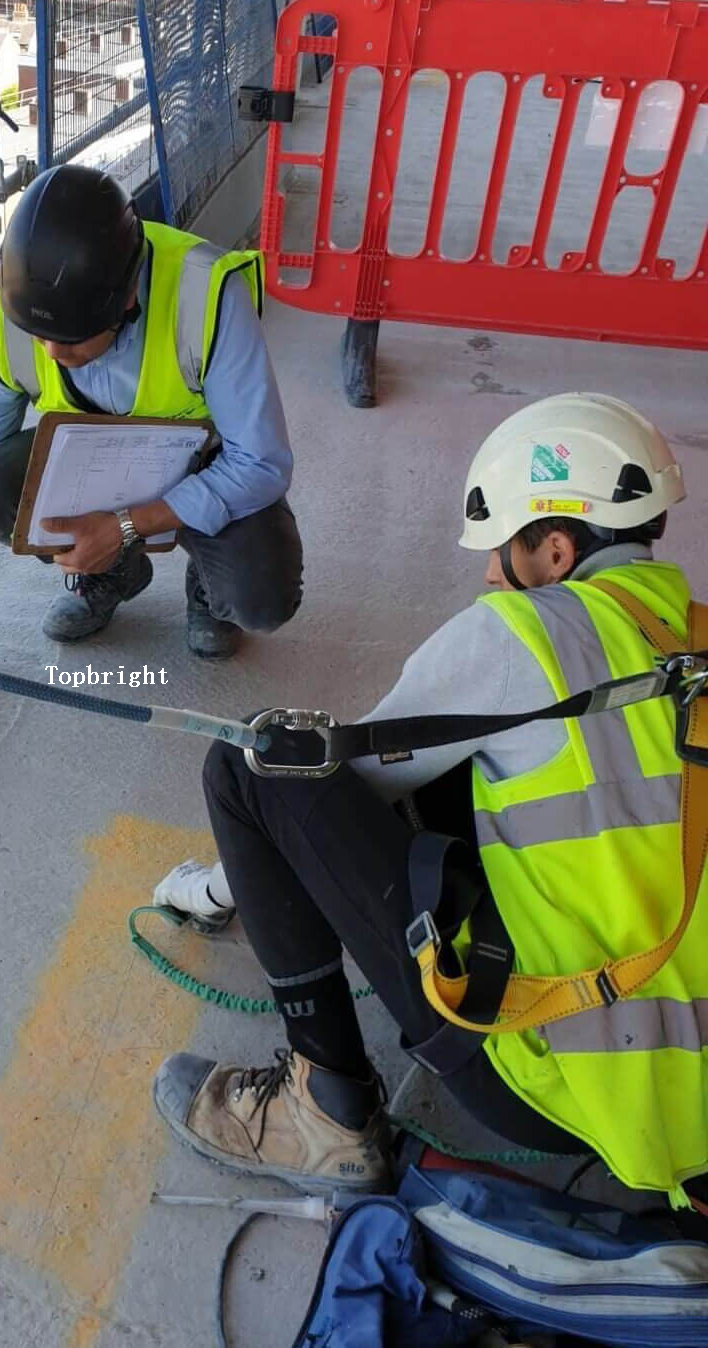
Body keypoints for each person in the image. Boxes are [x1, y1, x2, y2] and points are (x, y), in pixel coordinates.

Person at [150, 393, 708, 1207]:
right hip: (691, 1092)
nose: (489, 573)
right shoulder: (694, 635)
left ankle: (325, 1111)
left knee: (255, 765)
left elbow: (328, 788)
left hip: (564, 1085)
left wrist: (212, 886)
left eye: (501, 549)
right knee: (492, 760)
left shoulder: (521, 637)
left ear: (555, 550)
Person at [0, 164, 302, 707]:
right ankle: (115, 572)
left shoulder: (208, 293)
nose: (50, 353)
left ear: (125, 301)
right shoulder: (7, 314)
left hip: (198, 467)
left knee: (262, 597)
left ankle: (206, 589)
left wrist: (126, 524)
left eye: (70, 341)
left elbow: (262, 463)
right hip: (91, 464)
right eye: (38, 335)